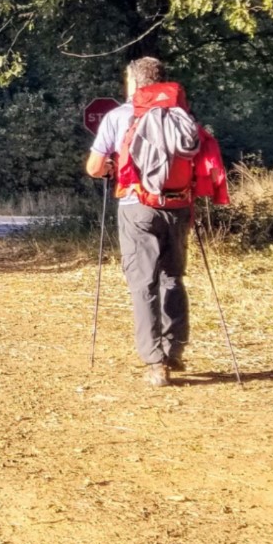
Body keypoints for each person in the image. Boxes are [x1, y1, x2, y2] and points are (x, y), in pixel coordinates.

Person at [86, 56, 208, 387]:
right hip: (179, 203)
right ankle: (175, 349)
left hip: (136, 206)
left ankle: (155, 362)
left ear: (133, 82)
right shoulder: (182, 115)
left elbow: (94, 168)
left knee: (143, 283)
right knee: (173, 277)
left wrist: (112, 167)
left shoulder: (119, 116)